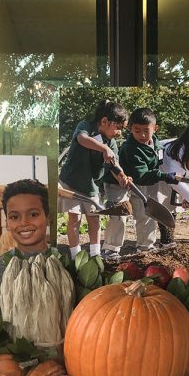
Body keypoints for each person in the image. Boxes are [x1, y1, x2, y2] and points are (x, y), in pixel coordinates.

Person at [101, 107, 178, 260]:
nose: (142, 135)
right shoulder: (130, 148)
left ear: (155, 129)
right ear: (130, 129)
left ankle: (145, 246)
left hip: (139, 181)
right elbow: (142, 174)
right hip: (117, 182)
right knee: (119, 212)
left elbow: (153, 166)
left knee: (145, 212)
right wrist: (164, 176)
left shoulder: (156, 144)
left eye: (146, 131)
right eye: (137, 131)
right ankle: (111, 248)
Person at [58, 99, 129, 259]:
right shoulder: (85, 127)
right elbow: (82, 139)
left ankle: (95, 254)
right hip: (71, 183)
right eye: (118, 127)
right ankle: (75, 256)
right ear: (104, 121)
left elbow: (114, 165)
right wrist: (103, 148)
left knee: (94, 219)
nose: (119, 133)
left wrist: (122, 176)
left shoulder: (112, 143)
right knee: (74, 218)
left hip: (92, 187)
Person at [0, 179, 60, 290]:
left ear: (48, 217)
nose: (24, 223)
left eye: (33, 214)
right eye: (14, 217)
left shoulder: (64, 260)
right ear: (7, 223)